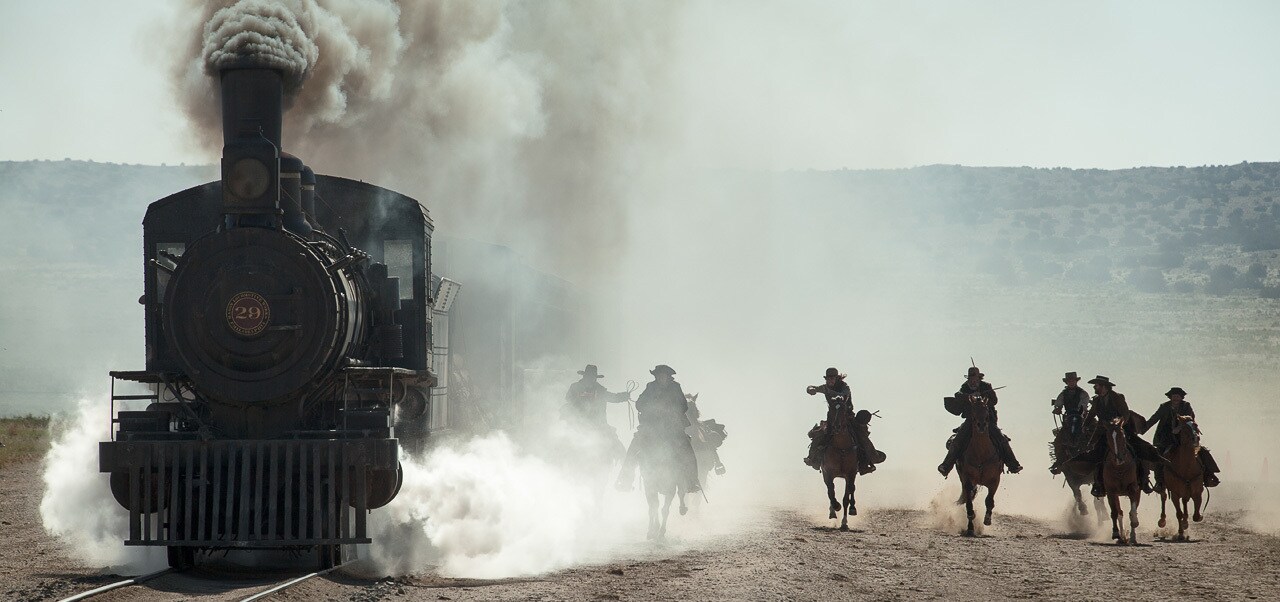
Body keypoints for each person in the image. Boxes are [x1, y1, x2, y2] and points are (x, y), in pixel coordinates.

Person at [1069, 375, 1164, 496]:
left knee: (1140, 449)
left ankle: (1144, 481)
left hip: (1122, 431)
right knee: (1096, 454)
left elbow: (1125, 413)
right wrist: (1084, 425)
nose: (1094, 387)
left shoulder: (1117, 397)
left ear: (1103, 387)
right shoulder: (1097, 400)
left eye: (1096, 385)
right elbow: (1092, 414)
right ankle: (1098, 484)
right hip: (1104, 432)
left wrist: (1119, 425)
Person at [615, 365, 701, 494]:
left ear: (668, 376)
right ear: (656, 376)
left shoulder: (675, 387)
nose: (661, 377)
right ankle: (626, 480)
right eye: (659, 375)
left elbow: (683, 405)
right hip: (651, 427)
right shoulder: (650, 387)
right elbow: (639, 404)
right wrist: (651, 409)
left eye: (664, 375)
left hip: (673, 427)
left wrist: (671, 411)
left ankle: (691, 481)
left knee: (687, 450)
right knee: (633, 448)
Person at [938, 366, 1023, 477]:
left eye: (975, 378)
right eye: (970, 379)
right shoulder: (964, 387)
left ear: (979, 378)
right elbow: (958, 395)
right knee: (958, 440)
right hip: (971, 421)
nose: (972, 381)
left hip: (988, 420)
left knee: (1001, 439)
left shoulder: (986, 386)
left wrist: (983, 396)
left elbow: (994, 401)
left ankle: (1013, 464)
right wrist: (969, 396)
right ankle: (946, 466)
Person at [803, 367, 885, 474]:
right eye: (828, 379)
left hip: (848, 418)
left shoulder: (844, 387)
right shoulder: (825, 387)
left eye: (832, 378)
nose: (830, 381)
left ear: (837, 379)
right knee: (819, 435)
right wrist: (810, 389)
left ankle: (866, 462)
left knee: (861, 437)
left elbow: (843, 395)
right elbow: (811, 388)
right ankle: (813, 459)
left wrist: (826, 391)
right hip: (832, 419)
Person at [1142, 387, 1221, 489]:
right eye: (1174, 396)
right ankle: (1160, 482)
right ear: (1170, 397)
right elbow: (1154, 418)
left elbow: (1190, 419)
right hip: (1165, 438)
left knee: (1203, 451)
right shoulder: (1164, 407)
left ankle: (1209, 476)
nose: (1175, 398)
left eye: (1178, 396)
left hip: (1184, 437)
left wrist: (1179, 428)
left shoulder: (1186, 406)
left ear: (1181, 397)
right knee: (1159, 457)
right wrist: (1142, 430)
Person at [562, 364, 629, 456]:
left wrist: (622, 396)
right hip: (576, 422)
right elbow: (568, 399)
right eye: (589, 377)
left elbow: (612, 397)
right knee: (561, 439)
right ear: (585, 376)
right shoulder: (575, 387)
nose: (591, 379)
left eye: (593, 377)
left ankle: (626, 466)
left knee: (616, 445)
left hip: (598, 424)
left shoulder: (600, 390)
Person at [1048, 371, 1092, 474]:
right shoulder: (1063, 394)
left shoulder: (1083, 393)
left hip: (1082, 418)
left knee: (1093, 433)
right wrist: (1057, 409)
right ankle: (1059, 462)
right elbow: (1058, 403)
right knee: (1058, 440)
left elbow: (1084, 404)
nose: (1071, 382)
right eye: (1069, 381)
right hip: (1069, 418)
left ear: (1076, 381)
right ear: (1067, 382)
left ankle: (1097, 458)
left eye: (1072, 380)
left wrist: (1081, 411)